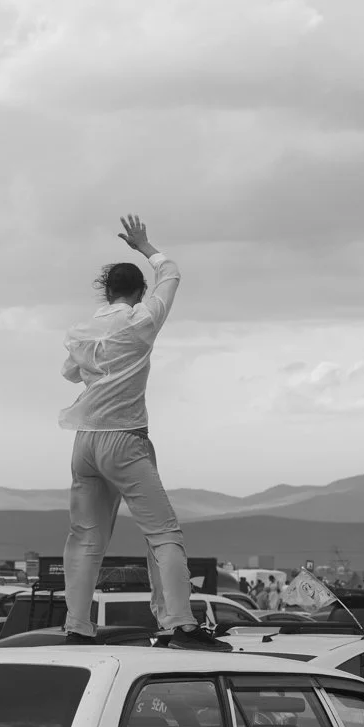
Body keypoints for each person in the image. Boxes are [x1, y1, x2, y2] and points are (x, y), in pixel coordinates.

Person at [59, 214, 212, 646]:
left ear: (106, 292)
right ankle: (178, 623)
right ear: (138, 291)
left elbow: (71, 373)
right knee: (163, 534)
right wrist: (146, 246)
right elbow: (173, 272)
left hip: (84, 440)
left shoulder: (82, 331)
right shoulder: (143, 319)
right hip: (126, 437)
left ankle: (77, 626)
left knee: (85, 538)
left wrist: (97, 364)